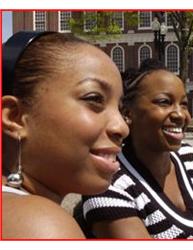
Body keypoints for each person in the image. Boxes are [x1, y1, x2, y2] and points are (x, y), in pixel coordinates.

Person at [77, 59, 193, 239]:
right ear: (127, 113)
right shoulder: (108, 183)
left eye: (184, 104)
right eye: (164, 102)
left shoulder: (187, 156)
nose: (180, 115)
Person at [2, 31, 129, 239]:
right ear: (15, 117)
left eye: (120, 108)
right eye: (95, 99)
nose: (122, 127)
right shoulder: (41, 227)